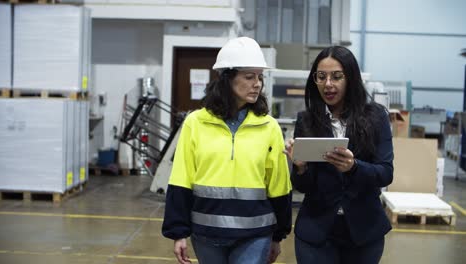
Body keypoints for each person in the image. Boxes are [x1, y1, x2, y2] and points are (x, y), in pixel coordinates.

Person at [162, 37, 293, 264]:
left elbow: (279, 183)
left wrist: (278, 234)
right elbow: (181, 177)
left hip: (256, 233)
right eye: (249, 76)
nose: (257, 84)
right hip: (205, 233)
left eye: (260, 77)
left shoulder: (269, 126)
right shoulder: (196, 123)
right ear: (227, 78)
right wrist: (178, 231)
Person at [285, 46, 393, 264]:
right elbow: (303, 186)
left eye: (337, 77)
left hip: (364, 233)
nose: (328, 84)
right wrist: (300, 168)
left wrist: (354, 167)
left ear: (350, 78)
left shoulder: (376, 117)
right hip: (316, 232)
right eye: (321, 76)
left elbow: (385, 173)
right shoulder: (306, 120)